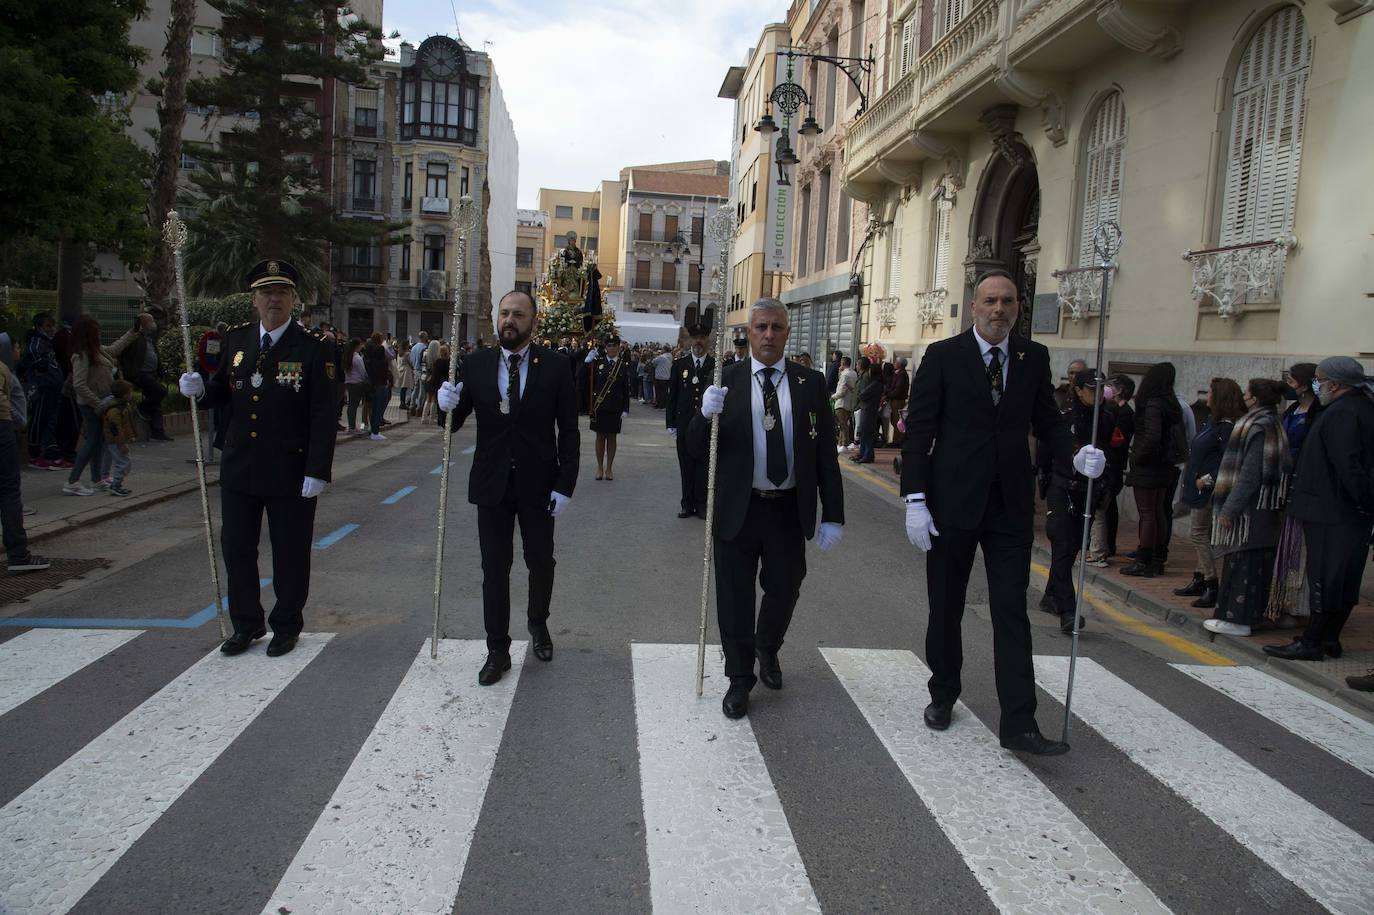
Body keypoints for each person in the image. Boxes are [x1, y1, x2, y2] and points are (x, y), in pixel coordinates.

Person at [901, 270, 1105, 756]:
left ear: (1018, 307)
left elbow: (1047, 421)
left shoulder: (1032, 357)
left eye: (1007, 301)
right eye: (990, 301)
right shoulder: (943, 356)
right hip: (951, 502)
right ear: (974, 306)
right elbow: (919, 431)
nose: (999, 310)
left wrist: (1075, 454)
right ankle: (943, 693)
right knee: (946, 605)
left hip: (1010, 506)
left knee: (1011, 610)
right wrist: (914, 498)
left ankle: (1020, 722)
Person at [691, 297, 844, 719]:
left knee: (785, 588)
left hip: (787, 509)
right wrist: (704, 415)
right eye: (761, 327)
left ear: (787, 333)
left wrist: (833, 513)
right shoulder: (725, 378)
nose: (769, 335)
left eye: (777, 327)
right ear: (748, 333)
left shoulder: (809, 383)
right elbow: (694, 447)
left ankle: (767, 646)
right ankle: (740, 679)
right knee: (735, 598)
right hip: (738, 509)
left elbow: (826, 454)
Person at [178, 259, 338, 658]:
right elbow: (224, 393)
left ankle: (286, 624)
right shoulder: (237, 341)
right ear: (254, 299)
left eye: (281, 292)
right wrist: (198, 390)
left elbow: (323, 413)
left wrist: (318, 469)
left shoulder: (315, 347)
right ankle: (246, 624)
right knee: (237, 548)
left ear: (293, 299)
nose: (273, 299)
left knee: (289, 551)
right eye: (266, 292)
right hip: (240, 466)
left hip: (290, 469)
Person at [436, 290, 579, 685]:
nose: (509, 321)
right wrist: (443, 403)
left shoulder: (556, 366)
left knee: (541, 561)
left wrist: (565, 484)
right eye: (503, 314)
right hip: (491, 485)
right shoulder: (475, 364)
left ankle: (538, 623)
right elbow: (453, 420)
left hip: (539, 484)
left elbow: (568, 430)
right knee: (494, 568)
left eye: (517, 314)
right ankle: (497, 649)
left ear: (533, 321)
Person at [1264, 357, 1374, 661]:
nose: (1317, 385)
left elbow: (1348, 465)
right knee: (1340, 578)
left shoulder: (1343, 412)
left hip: (1333, 511)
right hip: (1342, 511)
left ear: (1335, 384)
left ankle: (1313, 641)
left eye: (1319, 379)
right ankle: (1327, 638)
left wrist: (1364, 502)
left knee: (1325, 578)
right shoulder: (1356, 407)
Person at [1203, 379, 1291, 637]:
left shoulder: (1257, 426)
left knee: (1244, 564)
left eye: (1247, 392)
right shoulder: (1271, 422)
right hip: (1263, 509)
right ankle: (1245, 617)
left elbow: (1250, 474)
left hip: (1251, 512)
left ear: (1254, 398)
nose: (1244, 396)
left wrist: (1229, 510)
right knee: (1251, 564)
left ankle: (1237, 619)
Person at [1037, 369, 1115, 634]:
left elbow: (1114, 454)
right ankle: (1068, 611)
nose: (1098, 395)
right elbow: (1046, 449)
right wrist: (1044, 479)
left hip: (1090, 490)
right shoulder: (1065, 417)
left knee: (1071, 550)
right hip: (1063, 487)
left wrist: (1108, 486)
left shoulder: (1107, 419)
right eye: (1092, 390)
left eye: (1101, 390)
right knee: (1062, 545)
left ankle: (1051, 595)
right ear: (1079, 390)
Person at [1175, 378, 1245, 609]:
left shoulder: (1226, 427)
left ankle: (1211, 582)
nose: (1208, 395)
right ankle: (1198, 577)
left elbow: (1228, 460)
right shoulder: (1211, 423)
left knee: (1198, 534)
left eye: (1212, 391)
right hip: (1195, 487)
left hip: (1206, 490)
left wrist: (1205, 480)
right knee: (1200, 533)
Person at [1266, 362, 1324, 622]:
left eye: (1291, 381)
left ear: (1302, 384)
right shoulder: (1291, 409)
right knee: (1284, 544)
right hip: (1282, 484)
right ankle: (1280, 599)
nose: (1287, 386)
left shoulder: (1317, 413)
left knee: (1298, 548)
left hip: (1301, 484)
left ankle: (1297, 603)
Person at [1121, 362, 1187, 577]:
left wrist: (1136, 456)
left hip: (1149, 465)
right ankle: (1157, 558)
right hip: (1164, 465)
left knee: (1148, 513)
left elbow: (1151, 436)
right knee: (1158, 511)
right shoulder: (1170, 403)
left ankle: (1144, 559)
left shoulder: (1152, 404)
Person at [64, 315, 139, 496]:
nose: (100, 333)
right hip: (91, 405)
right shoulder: (81, 355)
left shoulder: (97, 351)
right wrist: (99, 404)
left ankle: (96, 479)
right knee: (92, 442)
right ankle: (72, 481)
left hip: (102, 403)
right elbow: (79, 384)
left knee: (99, 443)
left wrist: (133, 331)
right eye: (96, 331)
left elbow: (115, 348)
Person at [0, 352, 49, 572]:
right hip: (2, 427)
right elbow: (13, 401)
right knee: (9, 490)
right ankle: (18, 555)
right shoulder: (2, 368)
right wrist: (19, 423)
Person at [665, 322, 714, 518]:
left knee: (703, 467)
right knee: (686, 466)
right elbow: (672, 397)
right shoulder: (679, 365)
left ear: (707, 340)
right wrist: (670, 423)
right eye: (695, 338)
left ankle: (701, 505)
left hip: (706, 426)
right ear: (689, 340)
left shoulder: (715, 366)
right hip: (684, 424)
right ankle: (687, 504)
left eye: (702, 338)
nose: (698, 341)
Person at [118, 311, 173, 442]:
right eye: (150, 320)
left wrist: (160, 371)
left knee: (156, 400)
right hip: (140, 375)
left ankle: (157, 431)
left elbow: (155, 355)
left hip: (152, 374)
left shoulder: (149, 338)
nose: (153, 323)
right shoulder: (134, 337)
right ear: (143, 323)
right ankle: (142, 407)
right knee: (160, 391)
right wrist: (130, 371)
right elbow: (122, 353)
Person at [24, 313, 68, 468]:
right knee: (38, 420)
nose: (52, 329)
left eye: (53, 326)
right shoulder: (36, 343)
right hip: (43, 388)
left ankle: (49, 451)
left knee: (50, 420)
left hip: (53, 388)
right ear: (39, 327)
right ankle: (34, 454)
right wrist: (41, 368)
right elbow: (33, 357)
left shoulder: (47, 343)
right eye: (48, 326)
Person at [585, 335, 631, 480]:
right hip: (599, 406)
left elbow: (626, 390)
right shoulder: (597, 362)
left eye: (614, 345)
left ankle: (609, 468)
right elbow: (585, 381)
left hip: (615, 406)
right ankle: (599, 467)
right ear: (605, 347)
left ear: (619, 347)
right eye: (609, 345)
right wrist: (587, 362)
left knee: (612, 437)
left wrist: (625, 408)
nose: (611, 348)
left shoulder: (623, 366)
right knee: (600, 437)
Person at [102, 380, 137, 496]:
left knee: (122, 462)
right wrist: (121, 443)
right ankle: (116, 485)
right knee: (123, 463)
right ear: (125, 394)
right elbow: (116, 429)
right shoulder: (116, 410)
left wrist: (130, 436)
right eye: (130, 392)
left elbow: (125, 425)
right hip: (115, 441)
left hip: (116, 440)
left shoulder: (121, 406)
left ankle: (117, 484)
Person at [362, 333, 392, 441]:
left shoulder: (367, 361)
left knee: (373, 409)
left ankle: (373, 429)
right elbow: (385, 372)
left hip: (371, 384)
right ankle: (375, 431)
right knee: (378, 410)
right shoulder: (381, 363)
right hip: (381, 385)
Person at [852, 356, 881, 463]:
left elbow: (863, 394)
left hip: (868, 410)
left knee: (867, 433)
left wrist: (859, 394)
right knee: (864, 433)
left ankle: (867, 455)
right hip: (867, 409)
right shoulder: (874, 383)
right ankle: (863, 453)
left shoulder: (875, 384)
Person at [831, 355, 858, 450]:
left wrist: (832, 397)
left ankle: (844, 443)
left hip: (841, 403)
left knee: (842, 424)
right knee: (844, 424)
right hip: (849, 402)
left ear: (843, 363)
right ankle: (841, 442)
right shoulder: (854, 373)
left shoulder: (845, 375)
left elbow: (841, 391)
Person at [886, 357, 910, 447]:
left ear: (900, 364)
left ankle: (898, 441)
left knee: (897, 420)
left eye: (896, 362)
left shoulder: (902, 374)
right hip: (894, 399)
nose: (894, 363)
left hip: (898, 400)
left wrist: (888, 395)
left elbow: (898, 389)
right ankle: (896, 439)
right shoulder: (898, 373)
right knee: (894, 420)